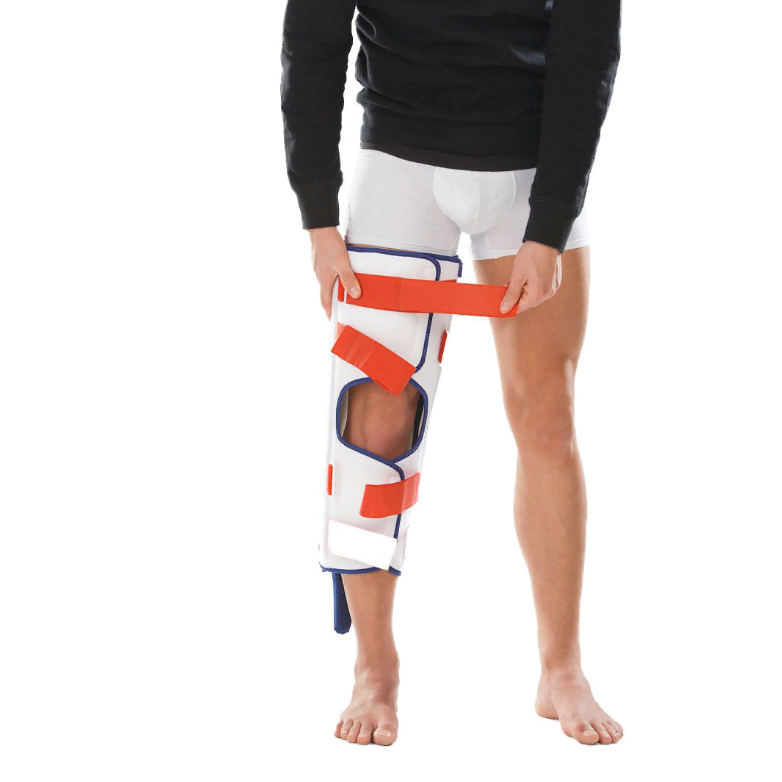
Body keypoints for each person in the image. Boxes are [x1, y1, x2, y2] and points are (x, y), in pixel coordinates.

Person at [281, 0, 622, 746]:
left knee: (548, 419)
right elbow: (311, 40)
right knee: (372, 426)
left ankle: (561, 667)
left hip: (531, 165)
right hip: (399, 161)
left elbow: (589, 56)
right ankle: (375, 669)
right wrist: (318, 217)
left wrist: (548, 226)